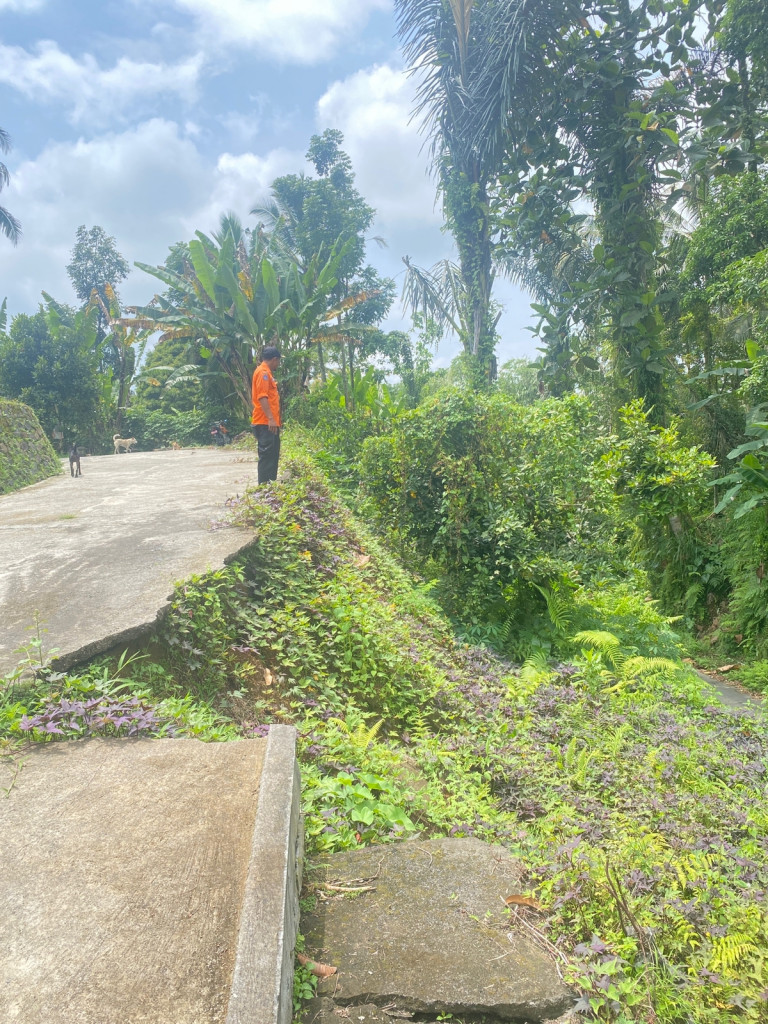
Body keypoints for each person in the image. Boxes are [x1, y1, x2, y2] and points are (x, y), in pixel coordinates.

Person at [251, 345, 282, 484]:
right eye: (278, 361)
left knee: (272, 456)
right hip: (265, 423)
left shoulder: (267, 373)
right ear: (274, 359)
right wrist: (270, 419)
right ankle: (264, 489)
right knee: (266, 457)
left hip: (270, 422)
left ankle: (270, 488)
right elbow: (262, 397)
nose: (278, 364)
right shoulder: (263, 373)